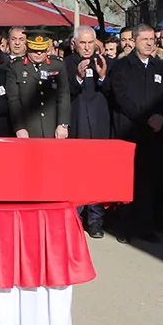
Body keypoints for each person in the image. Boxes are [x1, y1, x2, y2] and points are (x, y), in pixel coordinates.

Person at [108, 24, 163, 243]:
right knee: (127, 182)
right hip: (129, 132)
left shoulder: (160, 67)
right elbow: (122, 97)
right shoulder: (122, 67)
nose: (149, 42)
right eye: (144, 39)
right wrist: (146, 118)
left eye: (152, 39)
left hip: (154, 135)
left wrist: (161, 116)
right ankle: (125, 227)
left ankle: (146, 226)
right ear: (134, 41)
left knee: (148, 181)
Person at [65, 25, 111, 238]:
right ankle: (75, 217)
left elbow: (112, 93)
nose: (86, 47)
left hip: (99, 128)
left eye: (90, 43)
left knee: (98, 175)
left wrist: (102, 77)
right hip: (77, 127)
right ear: (74, 44)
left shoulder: (104, 63)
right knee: (75, 175)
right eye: (82, 43)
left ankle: (95, 220)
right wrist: (79, 78)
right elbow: (65, 93)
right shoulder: (67, 63)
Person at [4, 30, 71, 139]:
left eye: (42, 50)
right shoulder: (16, 67)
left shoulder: (57, 65)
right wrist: (19, 127)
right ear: (27, 47)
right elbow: (13, 100)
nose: (39, 53)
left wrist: (63, 124)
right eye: (35, 50)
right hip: (28, 127)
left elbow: (64, 95)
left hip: (52, 126)